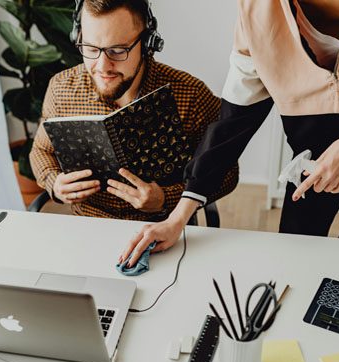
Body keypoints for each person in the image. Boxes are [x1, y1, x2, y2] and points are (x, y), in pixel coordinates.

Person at [120, 0, 339, 267]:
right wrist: (178, 217)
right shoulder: (256, 11)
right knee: (295, 252)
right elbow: (231, 124)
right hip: (312, 163)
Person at [30, 0, 238, 221]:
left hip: (165, 227)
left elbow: (227, 172)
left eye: (118, 51)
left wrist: (165, 198)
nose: (102, 67)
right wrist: (55, 183)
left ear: (148, 43)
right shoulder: (62, 88)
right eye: (90, 49)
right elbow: (41, 151)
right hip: (88, 227)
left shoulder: (191, 94)